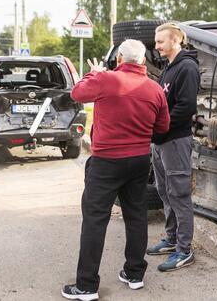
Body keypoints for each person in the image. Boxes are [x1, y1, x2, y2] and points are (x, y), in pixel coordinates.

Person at [62, 39, 170, 301]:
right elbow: (163, 127)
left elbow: (77, 93)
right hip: (139, 160)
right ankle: (134, 274)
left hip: (106, 162)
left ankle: (86, 286)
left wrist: (94, 73)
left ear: (119, 59)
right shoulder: (155, 89)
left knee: (95, 220)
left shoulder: (105, 79)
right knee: (136, 216)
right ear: (143, 61)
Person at [146, 22, 200, 272]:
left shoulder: (187, 68)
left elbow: (185, 108)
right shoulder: (169, 68)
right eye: (156, 42)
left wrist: (160, 128)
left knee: (179, 194)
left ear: (176, 41)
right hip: (161, 142)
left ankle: (184, 250)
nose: (156, 46)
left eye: (160, 42)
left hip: (175, 141)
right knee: (164, 191)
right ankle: (171, 238)